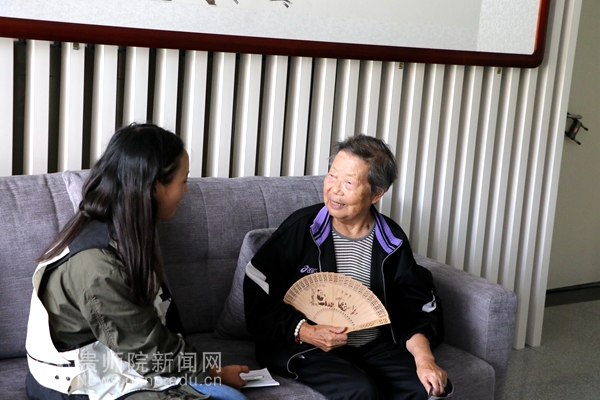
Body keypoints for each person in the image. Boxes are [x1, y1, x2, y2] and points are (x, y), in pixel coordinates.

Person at [25, 123, 249, 400]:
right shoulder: (97, 266)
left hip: (115, 365)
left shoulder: (116, 231)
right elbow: (148, 349)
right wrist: (214, 372)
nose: (187, 190)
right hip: (78, 385)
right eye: (184, 180)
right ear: (155, 187)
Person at [244, 134, 452, 399]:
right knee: (359, 390)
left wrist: (424, 360)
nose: (335, 189)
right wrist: (305, 330)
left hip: (372, 345)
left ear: (376, 194)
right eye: (332, 176)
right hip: (305, 345)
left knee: (427, 389)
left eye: (349, 182)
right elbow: (258, 288)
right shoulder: (302, 228)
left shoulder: (392, 239)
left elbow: (412, 308)